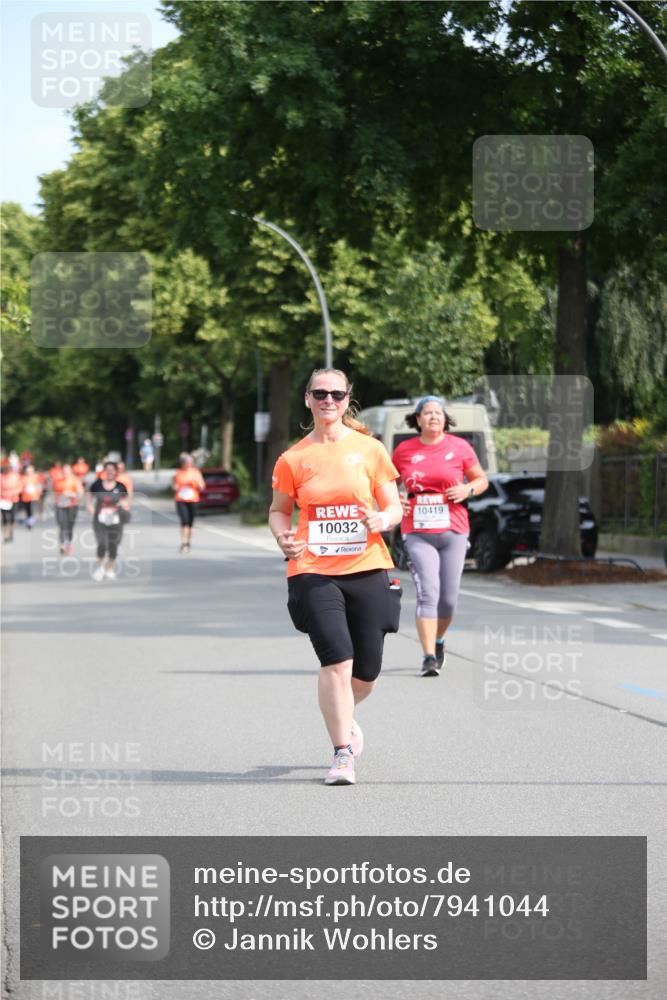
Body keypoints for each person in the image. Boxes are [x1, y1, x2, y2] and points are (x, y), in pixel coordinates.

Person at [269, 368, 403, 786]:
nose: (329, 400)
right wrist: (282, 538)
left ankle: (344, 713)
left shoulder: (370, 449)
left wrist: (382, 519)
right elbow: (278, 511)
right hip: (312, 571)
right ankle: (342, 754)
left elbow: (394, 506)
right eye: (320, 393)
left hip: (367, 566)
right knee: (337, 661)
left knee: (366, 673)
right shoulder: (293, 458)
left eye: (337, 394)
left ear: (347, 399)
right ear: (308, 399)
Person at [392, 395, 488, 677]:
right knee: (428, 592)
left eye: (438, 412)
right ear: (417, 419)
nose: (433, 416)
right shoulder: (404, 450)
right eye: (427, 412)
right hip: (417, 531)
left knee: (448, 599)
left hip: (453, 529)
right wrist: (396, 499)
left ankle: (439, 639)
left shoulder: (460, 447)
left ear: (445, 419)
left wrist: (467, 489)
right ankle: (428, 657)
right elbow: (387, 483)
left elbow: (481, 480)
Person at [87, 461, 129, 581]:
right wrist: (89, 505)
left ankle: (110, 569)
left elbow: (126, 499)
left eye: (112, 470)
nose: (110, 472)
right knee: (102, 543)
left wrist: (123, 504)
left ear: (116, 472)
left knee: (113, 545)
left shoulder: (120, 486)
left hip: (116, 519)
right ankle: (100, 568)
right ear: (104, 471)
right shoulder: (98, 484)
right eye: (107, 469)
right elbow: (89, 494)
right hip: (100, 519)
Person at [172, 453, 205, 553]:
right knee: (184, 521)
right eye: (186, 462)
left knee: (190, 523)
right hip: (181, 500)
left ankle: (188, 542)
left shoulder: (195, 473)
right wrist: (177, 487)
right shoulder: (178, 473)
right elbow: (174, 485)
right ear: (182, 463)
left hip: (193, 500)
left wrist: (196, 483)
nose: (188, 464)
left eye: (189, 462)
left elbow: (202, 486)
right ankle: (183, 543)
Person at [53, 463, 84, 555]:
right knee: (62, 525)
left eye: (67, 471)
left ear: (70, 471)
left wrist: (71, 494)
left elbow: (80, 494)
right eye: (64, 470)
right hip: (60, 506)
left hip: (72, 506)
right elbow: (54, 492)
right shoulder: (58, 481)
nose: (65, 472)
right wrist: (55, 501)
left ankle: (69, 544)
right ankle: (62, 545)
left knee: (70, 526)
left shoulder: (75, 480)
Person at [1, 466, 22, 542]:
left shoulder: (15, 476)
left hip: (13, 500)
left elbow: (20, 486)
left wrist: (14, 492)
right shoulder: (1, 477)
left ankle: (11, 533)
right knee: (4, 518)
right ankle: (5, 535)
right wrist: (2, 493)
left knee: (12, 518)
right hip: (3, 500)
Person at [20, 464, 42, 529]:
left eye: (30, 470)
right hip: (25, 497)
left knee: (32, 509)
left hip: (34, 497)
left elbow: (39, 485)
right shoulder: (23, 477)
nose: (29, 472)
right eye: (28, 471)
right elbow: (20, 486)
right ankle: (28, 520)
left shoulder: (36, 477)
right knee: (27, 510)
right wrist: (23, 489)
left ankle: (31, 521)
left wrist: (38, 491)